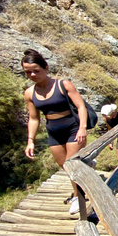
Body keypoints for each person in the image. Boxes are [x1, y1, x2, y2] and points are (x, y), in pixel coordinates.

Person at [22, 49, 89, 215]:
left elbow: (81, 106)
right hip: (53, 130)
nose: (32, 74)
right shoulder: (30, 93)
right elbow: (34, 118)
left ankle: (78, 197)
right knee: (64, 166)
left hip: (72, 127)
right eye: (27, 72)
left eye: (36, 71)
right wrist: (30, 140)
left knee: (71, 164)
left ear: (46, 68)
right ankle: (87, 167)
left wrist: (82, 127)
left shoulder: (63, 85)